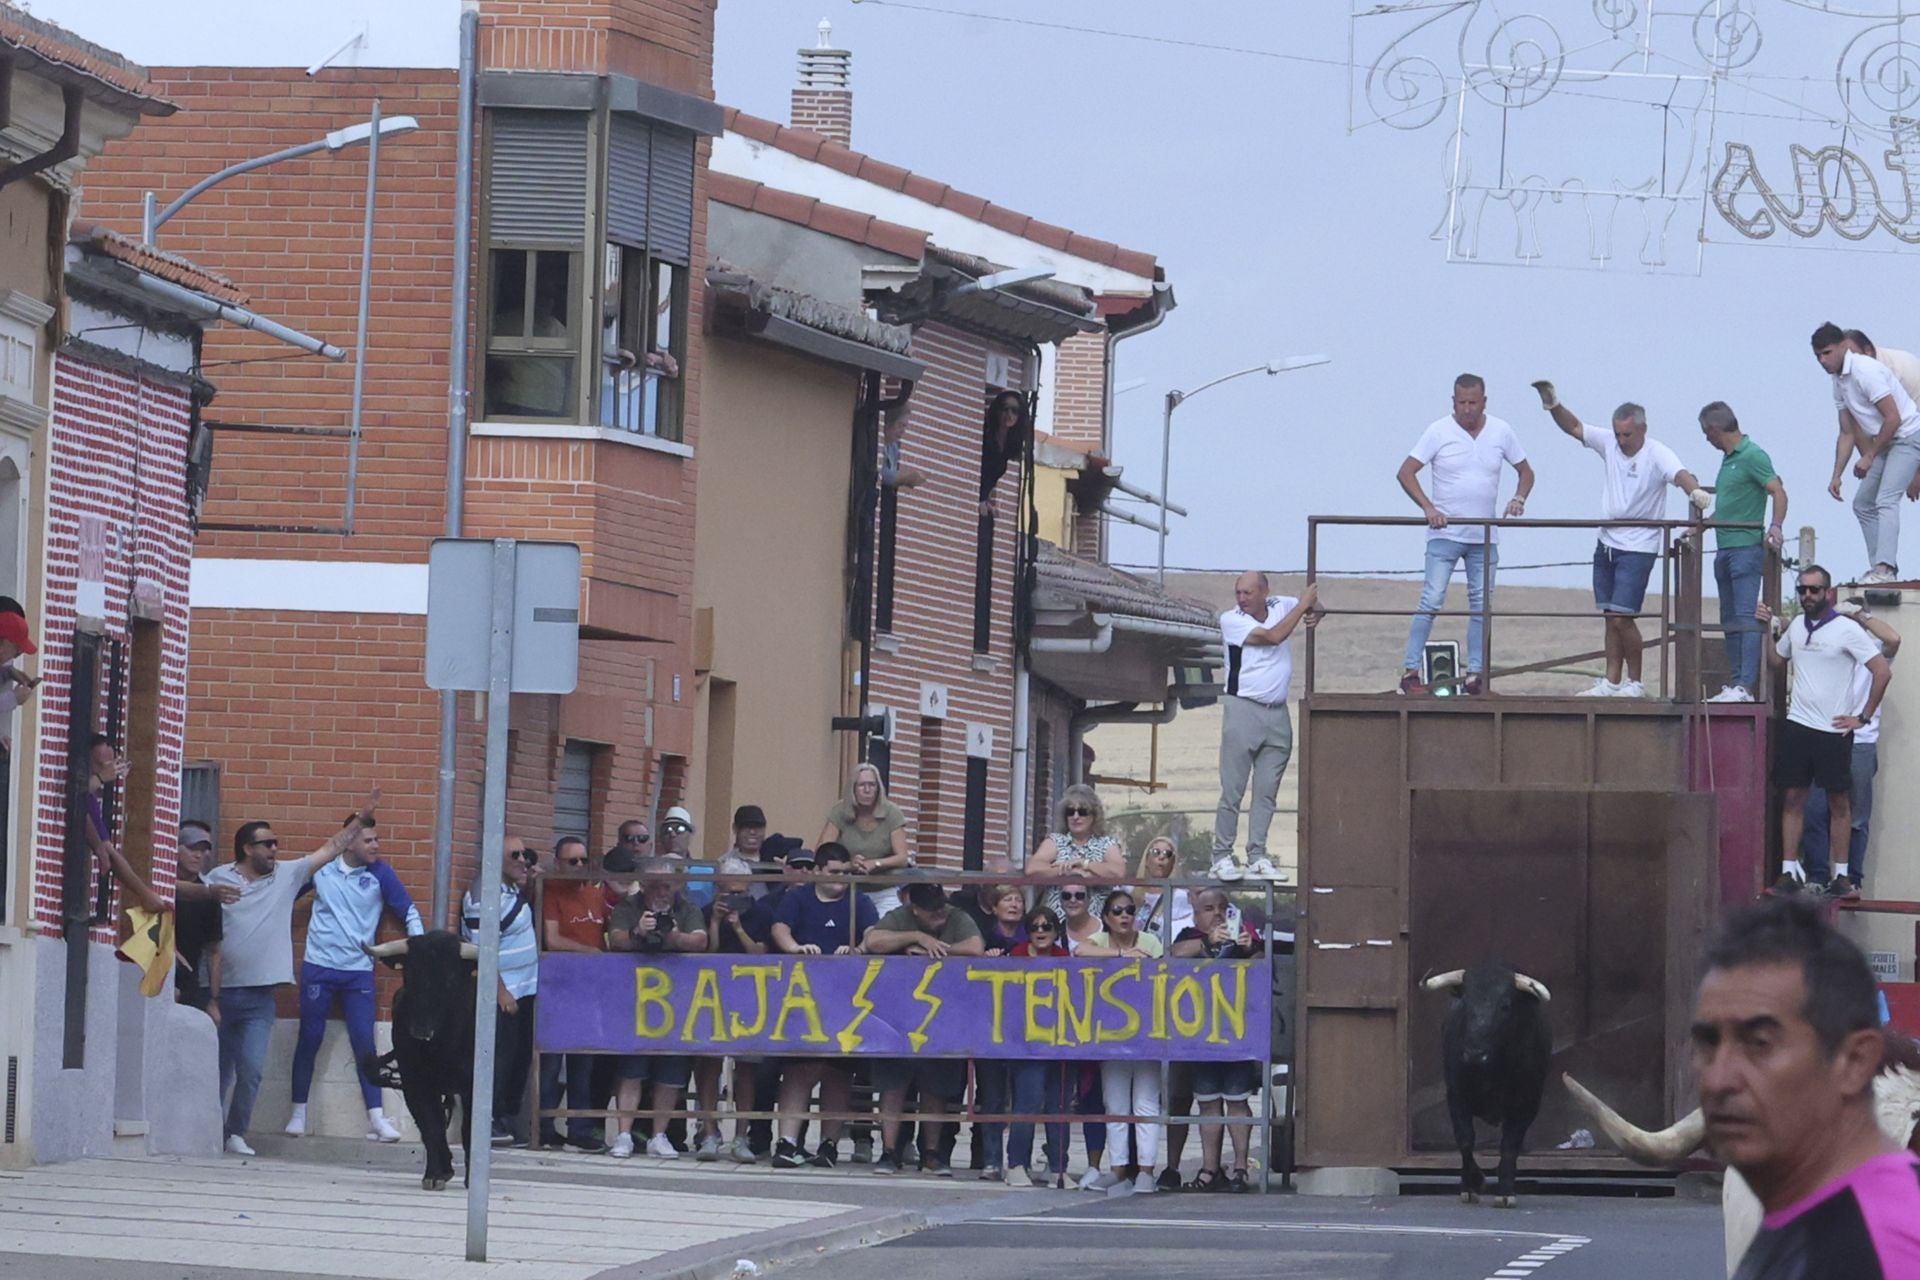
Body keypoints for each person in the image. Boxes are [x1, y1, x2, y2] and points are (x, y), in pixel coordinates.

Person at [1690, 896, 1920, 1278]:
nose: (1718, 1078)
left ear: (1854, 1061)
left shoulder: (1884, 1244)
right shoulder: (1789, 1215)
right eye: (1709, 1043)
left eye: (1761, 1043)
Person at [206, 791, 380, 1155]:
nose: (273, 849)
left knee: (252, 1069)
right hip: (220, 991)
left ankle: (236, 1131)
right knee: (217, 1070)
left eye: (275, 843)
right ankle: (209, 1131)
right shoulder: (217, 878)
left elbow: (331, 848)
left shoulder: (286, 875)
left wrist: (361, 819)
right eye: (266, 844)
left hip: (259, 996)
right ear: (246, 848)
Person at [1532, 385, 1712, 697]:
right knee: (1609, 615)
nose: (1621, 440)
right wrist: (1554, 404)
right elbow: (1575, 427)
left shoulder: (1657, 453)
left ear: (1642, 429)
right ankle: (1611, 680)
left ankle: (1636, 682)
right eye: (1617, 434)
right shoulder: (1609, 444)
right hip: (1607, 542)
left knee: (1622, 617)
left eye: (1627, 435)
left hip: (1638, 545)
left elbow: (1681, 474)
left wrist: (1694, 493)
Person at [286, 814, 423, 1143]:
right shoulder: (322, 869)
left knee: (365, 1042)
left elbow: (409, 911)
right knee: (310, 1037)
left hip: (359, 970)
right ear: (349, 842)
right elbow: (282, 893)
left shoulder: (380, 873)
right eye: (369, 840)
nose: (376, 845)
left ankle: (376, 1119)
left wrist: (419, 949)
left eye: (376, 839)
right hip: (318, 965)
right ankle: (297, 1113)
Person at [1396, 374, 1534, 696]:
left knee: (1482, 605)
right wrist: (1429, 508)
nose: (1468, 409)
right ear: (1453, 402)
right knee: (1431, 598)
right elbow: (1406, 472)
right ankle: (1410, 671)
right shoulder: (1438, 431)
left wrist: (1518, 499)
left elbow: (1526, 471)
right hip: (1445, 535)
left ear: (1484, 401)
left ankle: (1475, 675)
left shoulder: (1501, 431)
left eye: (1473, 403)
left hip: (1484, 537)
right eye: (1462, 403)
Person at [1759, 566, 1893, 896]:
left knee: (1839, 803)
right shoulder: (1797, 627)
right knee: (1792, 797)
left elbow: (1881, 671)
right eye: (1802, 589)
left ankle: (1844, 876)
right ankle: (1789, 872)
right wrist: (1766, 629)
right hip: (1799, 725)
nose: (1807, 596)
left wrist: (1862, 717)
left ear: (1826, 592)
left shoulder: (1847, 629)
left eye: (1814, 590)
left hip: (1833, 731)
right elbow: (1777, 662)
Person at [864, 881, 985, 1175]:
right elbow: (873, 941)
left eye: (941, 906)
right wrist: (914, 937)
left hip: (942, 1016)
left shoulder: (956, 916)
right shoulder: (900, 917)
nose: (939, 913)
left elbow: (975, 947)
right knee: (893, 1087)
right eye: (931, 911)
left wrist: (937, 948)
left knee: (936, 1088)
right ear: (914, 909)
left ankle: (931, 1153)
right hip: (898, 1016)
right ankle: (889, 1151)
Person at [769, 842, 876, 1168]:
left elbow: (874, 933)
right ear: (817, 871)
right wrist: (795, 948)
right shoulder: (797, 898)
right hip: (802, 1001)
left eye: (845, 873)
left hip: (846, 1000)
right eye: (833, 872)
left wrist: (858, 949)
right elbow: (779, 928)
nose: (840, 878)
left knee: (837, 1072)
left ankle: (828, 1144)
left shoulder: (861, 900)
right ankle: (786, 1143)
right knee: (799, 1071)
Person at [1213, 571, 1316, 880]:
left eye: (1247, 593)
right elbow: (1273, 637)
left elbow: (1311, 606)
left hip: (1277, 711)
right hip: (1243, 708)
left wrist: (1313, 611)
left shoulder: (1282, 604)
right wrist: (1303, 608)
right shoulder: (1231, 620)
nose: (1242, 599)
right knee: (1233, 788)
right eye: (1238, 593)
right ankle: (1221, 855)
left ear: (1264, 592)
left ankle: (1257, 853)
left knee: (1266, 791)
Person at [606, 857, 708, 1158]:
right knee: (631, 1068)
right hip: (635, 1000)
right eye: (656, 885)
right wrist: (638, 932)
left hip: (678, 1001)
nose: (663, 891)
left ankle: (659, 1135)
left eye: (669, 885)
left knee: (671, 1071)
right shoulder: (629, 907)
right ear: (645, 885)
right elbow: (615, 939)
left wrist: (675, 936)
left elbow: (701, 941)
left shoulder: (687, 908)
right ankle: (624, 1134)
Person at [459, 834, 553, 1149]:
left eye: (526, 854)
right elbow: (480, 949)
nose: (524, 860)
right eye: (516, 855)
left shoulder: (509, 890)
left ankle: (505, 1118)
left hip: (525, 990)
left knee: (518, 1058)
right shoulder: (482, 895)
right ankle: (487, 1120)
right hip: (505, 994)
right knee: (498, 1058)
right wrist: (499, 992)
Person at [1801, 604, 1899, 897]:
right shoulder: (1828, 646)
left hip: (1860, 740)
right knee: (1815, 810)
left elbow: (1894, 639)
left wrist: (1859, 615)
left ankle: (1851, 879)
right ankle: (1817, 877)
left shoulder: (1873, 649)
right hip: (1824, 738)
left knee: (1855, 814)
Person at [1816, 320, 1920, 585]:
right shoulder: (1837, 381)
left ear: (1841, 347)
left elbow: (1893, 418)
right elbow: (1847, 432)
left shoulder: (1865, 371)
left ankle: (1884, 569)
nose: (1822, 360)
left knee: (1886, 499)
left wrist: (1870, 456)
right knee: (1863, 504)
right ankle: (1881, 568)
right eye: (1818, 356)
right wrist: (1836, 475)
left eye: (1827, 353)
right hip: (1886, 441)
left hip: (1908, 436)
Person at [1171, 888, 1261, 1193]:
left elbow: (1265, 964)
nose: (1217, 914)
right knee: (1207, 1103)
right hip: (1200, 1034)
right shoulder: (1189, 934)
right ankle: (1209, 1169)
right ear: (1197, 913)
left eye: (1223, 907)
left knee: (1238, 1102)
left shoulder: (1245, 936)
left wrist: (1249, 949)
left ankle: (1239, 1169)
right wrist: (1207, 942)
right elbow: (1174, 954)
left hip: (1237, 1032)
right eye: (1209, 908)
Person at [1077, 889, 1165, 1193]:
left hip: (1147, 1032)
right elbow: (1080, 952)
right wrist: (1120, 955)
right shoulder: (1100, 942)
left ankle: (1146, 1171)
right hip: (1111, 1034)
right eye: (1117, 911)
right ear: (1106, 918)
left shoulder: (1150, 942)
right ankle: (1117, 1169)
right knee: (1114, 1105)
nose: (1125, 915)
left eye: (1129, 910)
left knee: (1146, 1104)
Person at [1700, 402, 1788, 703]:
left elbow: (1777, 490)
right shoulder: (1727, 461)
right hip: (1724, 549)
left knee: (1746, 616)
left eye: (1705, 433)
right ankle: (1735, 682)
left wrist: (1775, 526)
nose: (1706, 439)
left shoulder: (1752, 455)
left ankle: (1745, 686)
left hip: (1746, 550)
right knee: (1730, 619)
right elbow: (1727, 508)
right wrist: (1697, 527)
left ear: (1714, 429)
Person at [537, 836, 610, 1151]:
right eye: (572, 861)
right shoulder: (549, 892)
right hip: (558, 987)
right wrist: (590, 951)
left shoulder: (596, 894)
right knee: (551, 1064)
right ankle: (543, 1126)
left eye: (584, 860)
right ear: (558, 863)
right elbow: (551, 939)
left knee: (584, 1063)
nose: (579, 866)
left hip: (589, 990)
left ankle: (580, 1128)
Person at [1002, 909, 1073, 1188]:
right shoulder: (1015, 956)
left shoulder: (1064, 959)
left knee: (1059, 1105)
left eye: (1047, 926)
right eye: (1034, 927)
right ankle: (1017, 1163)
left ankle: (1058, 1167)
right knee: (1027, 1103)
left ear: (1056, 931)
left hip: (1060, 1043)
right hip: (1026, 1044)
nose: (1041, 931)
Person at [708, 855, 770, 1163]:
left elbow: (760, 953)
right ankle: (708, 1132)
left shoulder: (759, 912)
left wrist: (740, 926)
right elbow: (707, 952)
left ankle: (741, 1135)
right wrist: (716, 922)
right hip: (711, 996)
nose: (734, 899)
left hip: (749, 997)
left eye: (740, 893)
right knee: (707, 1065)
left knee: (747, 1069)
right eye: (728, 893)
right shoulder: (708, 911)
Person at [821, 763, 913, 915]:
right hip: (847, 889)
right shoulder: (839, 811)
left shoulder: (892, 813)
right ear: (853, 788)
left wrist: (875, 864)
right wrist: (848, 865)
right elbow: (823, 853)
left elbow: (902, 858)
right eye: (862, 785)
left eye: (872, 785)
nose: (867, 790)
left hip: (884, 890)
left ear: (878, 788)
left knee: (889, 931)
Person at [1029, 785, 1127, 917]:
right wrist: (1069, 873)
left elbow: (1118, 872)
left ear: (1094, 816)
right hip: (1058, 923)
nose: (1075, 816)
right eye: (1070, 812)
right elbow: (1032, 869)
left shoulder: (1107, 843)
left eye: (1082, 812)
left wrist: (1084, 863)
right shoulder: (1056, 841)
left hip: (1096, 925)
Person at [172, 822, 232, 1014]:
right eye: (191, 849)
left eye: (203, 850)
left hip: (191, 981)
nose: (198, 855)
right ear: (176, 849)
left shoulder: (209, 895)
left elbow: (214, 951)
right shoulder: (158, 884)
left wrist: (214, 1000)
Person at [978, 389, 1029, 520]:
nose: (1009, 414)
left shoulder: (1010, 445)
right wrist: (981, 501)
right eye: (1005, 409)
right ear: (997, 411)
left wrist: (986, 501)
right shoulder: (984, 436)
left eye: (1014, 411)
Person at [1134, 836, 1192, 944]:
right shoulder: (1129, 892)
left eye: (1167, 854)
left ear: (1172, 863)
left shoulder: (1181, 897)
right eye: (1156, 852)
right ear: (1146, 860)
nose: (1161, 857)